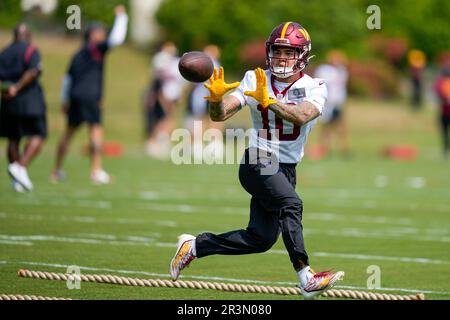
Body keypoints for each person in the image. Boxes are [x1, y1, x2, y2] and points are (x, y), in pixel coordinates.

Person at [169, 22, 344, 299]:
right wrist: (215, 100)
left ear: (303, 55)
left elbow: (302, 115)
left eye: (289, 52)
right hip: (258, 159)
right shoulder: (255, 78)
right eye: (278, 51)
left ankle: (194, 246)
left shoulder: (315, 86)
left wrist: (269, 101)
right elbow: (220, 115)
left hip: (286, 168)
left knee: (260, 239)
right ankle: (306, 276)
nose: (282, 57)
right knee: (292, 203)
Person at [51, 5, 128, 184]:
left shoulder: (78, 54)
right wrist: (122, 17)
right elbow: (117, 39)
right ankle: (96, 170)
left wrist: (64, 100)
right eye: (100, 32)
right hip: (90, 97)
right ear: (93, 35)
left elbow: (67, 79)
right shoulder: (96, 50)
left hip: (75, 97)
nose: (103, 35)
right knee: (95, 133)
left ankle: (56, 170)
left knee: (68, 134)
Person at [0, 23, 47, 192]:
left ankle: (18, 180)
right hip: (29, 101)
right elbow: (34, 72)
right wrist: (18, 87)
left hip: (8, 102)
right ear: (28, 35)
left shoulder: (4, 52)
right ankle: (20, 167)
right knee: (39, 134)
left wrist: (7, 89)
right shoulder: (31, 50)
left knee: (14, 139)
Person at [144, 41, 185, 160]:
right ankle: (153, 142)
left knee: (168, 117)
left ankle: (163, 140)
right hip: (163, 93)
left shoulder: (176, 62)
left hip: (173, 94)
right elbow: (157, 79)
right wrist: (160, 95)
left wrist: (180, 93)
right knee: (162, 117)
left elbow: (180, 81)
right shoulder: (161, 59)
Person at [185, 45, 223, 161]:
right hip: (200, 95)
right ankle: (198, 145)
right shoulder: (203, 63)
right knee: (200, 120)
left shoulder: (214, 65)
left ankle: (214, 145)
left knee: (213, 120)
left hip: (209, 95)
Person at [314, 50, 351, 158]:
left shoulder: (342, 71)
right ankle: (323, 148)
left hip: (337, 103)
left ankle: (344, 149)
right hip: (327, 103)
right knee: (326, 127)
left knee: (341, 126)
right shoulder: (324, 70)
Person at [434, 54, 450, 158]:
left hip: (445, 111)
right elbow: (438, 91)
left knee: (445, 131)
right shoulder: (441, 82)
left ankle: (446, 148)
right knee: (444, 132)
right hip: (445, 111)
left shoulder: (441, 81)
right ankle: (445, 148)